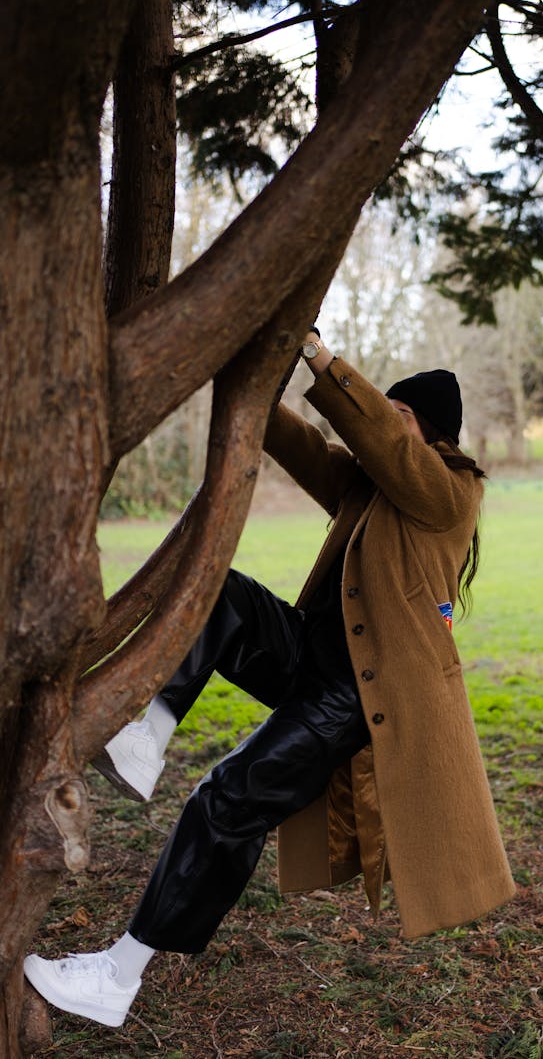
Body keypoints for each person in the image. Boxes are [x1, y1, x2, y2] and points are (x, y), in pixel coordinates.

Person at [24, 333, 516, 1028]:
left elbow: (387, 443)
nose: (382, 418)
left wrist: (320, 354)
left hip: (350, 697)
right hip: (309, 654)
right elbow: (307, 448)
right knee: (219, 594)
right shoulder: (371, 485)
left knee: (226, 803)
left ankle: (118, 974)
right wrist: (256, 370)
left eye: (398, 413)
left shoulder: (448, 492)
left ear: (432, 434)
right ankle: (147, 740)